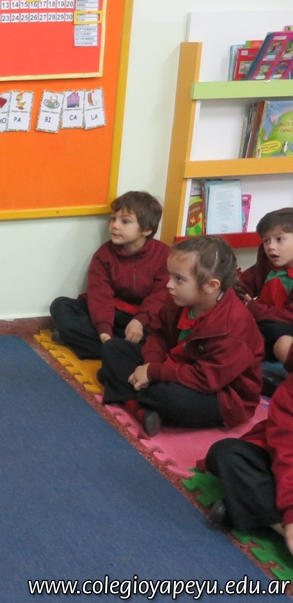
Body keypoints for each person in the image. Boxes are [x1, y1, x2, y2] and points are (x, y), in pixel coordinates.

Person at [97, 236, 263, 437]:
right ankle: (141, 405)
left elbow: (206, 379)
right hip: (174, 368)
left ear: (211, 285)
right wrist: (150, 365)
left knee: (168, 397)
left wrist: (154, 373)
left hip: (221, 394)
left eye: (179, 279)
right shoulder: (178, 299)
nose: (169, 284)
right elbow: (157, 334)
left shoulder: (234, 326)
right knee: (113, 348)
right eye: (170, 275)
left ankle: (128, 395)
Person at [49, 191, 171, 360]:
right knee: (60, 306)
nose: (114, 225)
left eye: (125, 221)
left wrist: (140, 321)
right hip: (112, 314)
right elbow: (100, 294)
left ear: (146, 229)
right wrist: (104, 333)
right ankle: (116, 349)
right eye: (113, 219)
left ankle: (100, 347)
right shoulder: (104, 255)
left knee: (162, 338)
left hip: (143, 319)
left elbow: (161, 296)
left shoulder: (164, 255)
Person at [204, 373, 293, 554]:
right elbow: (286, 453)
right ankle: (279, 526)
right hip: (281, 465)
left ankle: (244, 508)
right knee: (227, 454)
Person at [235, 208, 293, 395]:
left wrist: (254, 309)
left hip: (285, 329)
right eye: (266, 240)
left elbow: (289, 316)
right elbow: (243, 285)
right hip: (264, 324)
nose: (271, 247)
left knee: (275, 330)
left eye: (279, 239)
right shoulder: (266, 265)